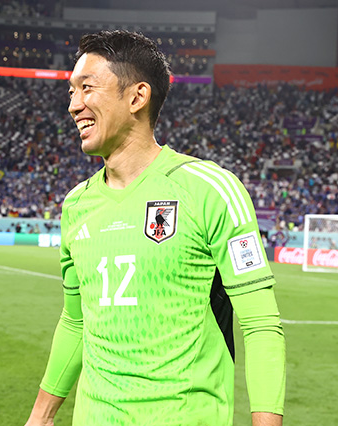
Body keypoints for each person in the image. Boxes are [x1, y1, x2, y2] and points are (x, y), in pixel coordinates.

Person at [25, 30, 285, 426]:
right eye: (71, 92)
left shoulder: (209, 190)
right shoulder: (76, 205)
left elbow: (260, 323)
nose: (74, 105)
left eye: (87, 88)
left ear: (137, 97)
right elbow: (75, 322)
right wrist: (40, 417)